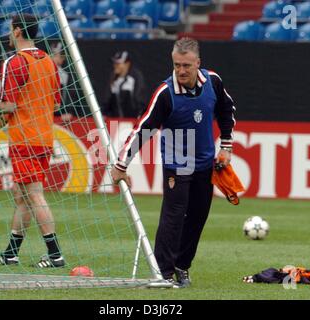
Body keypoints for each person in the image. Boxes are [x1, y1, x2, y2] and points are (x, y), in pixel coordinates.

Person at [110, 38, 236, 288]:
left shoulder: (213, 81)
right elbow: (143, 129)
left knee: (198, 217)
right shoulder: (165, 93)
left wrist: (226, 145)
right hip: (177, 164)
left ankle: (182, 266)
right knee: (174, 216)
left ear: (198, 63)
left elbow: (226, 109)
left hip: (204, 164)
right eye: (177, 64)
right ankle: (163, 272)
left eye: (187, 65)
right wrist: (121, 165)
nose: (181, 70)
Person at [0, 14, 65, 268]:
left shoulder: (15, 62)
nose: (8, 34)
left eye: (10, 29)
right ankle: (11, 252)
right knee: (22, 195)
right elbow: (56, 103)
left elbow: (9, 104)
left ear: (17, 31)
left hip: (24, 138)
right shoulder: (49, 63)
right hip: (44, 137)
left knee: (34, 194)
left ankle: (55, 254)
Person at [101, 50, 146, 118]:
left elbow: (140, 100)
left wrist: (139, 116)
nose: (115, 66)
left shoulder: (135, 78)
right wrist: (104, 114)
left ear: (127, 64)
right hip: (114, 121)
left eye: (118, 63)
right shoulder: (113, 78)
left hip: (131, 121)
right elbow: (108, 101)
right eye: (114, 63)